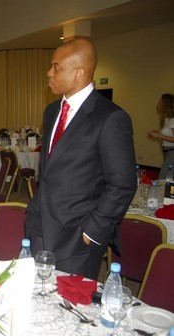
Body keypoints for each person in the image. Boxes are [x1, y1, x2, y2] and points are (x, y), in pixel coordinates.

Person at [24, 37, 137, 280]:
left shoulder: (110, 118)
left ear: (79, 73)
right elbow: (50, 170)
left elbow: (122, 184)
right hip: (39, 226)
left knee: (71, 310)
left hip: (77, 238)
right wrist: (34, 214)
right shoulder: (52, 111)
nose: (49, 72)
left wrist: (92, 232)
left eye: (56, 67)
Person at [146, 93, 174, 179]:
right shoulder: (167, 119)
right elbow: (169, 134)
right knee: (168, 178)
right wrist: (157, 134)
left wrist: (159, 136)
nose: (158, 103)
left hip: (172, 152)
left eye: (160, 101)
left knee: (163, 179)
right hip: (167, 152)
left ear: (166, 104)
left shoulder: (173, 119)